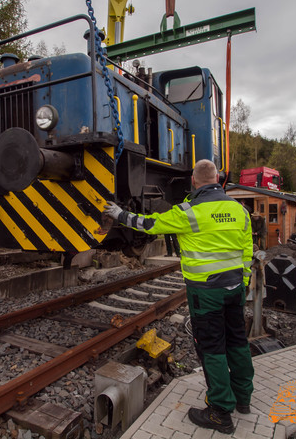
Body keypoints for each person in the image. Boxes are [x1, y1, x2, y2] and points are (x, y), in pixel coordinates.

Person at [103, 159, 254, 434]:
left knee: (212, 349)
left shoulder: (189, 211)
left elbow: (148, 224)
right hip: (235, 289)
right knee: (237, 343)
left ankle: (221, 411)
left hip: (206, 293)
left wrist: (118, 214)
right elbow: (247, 251)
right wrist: (242, 282)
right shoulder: (239, 210)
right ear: (219, 179)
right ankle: (243, 399)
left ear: (193, 182)